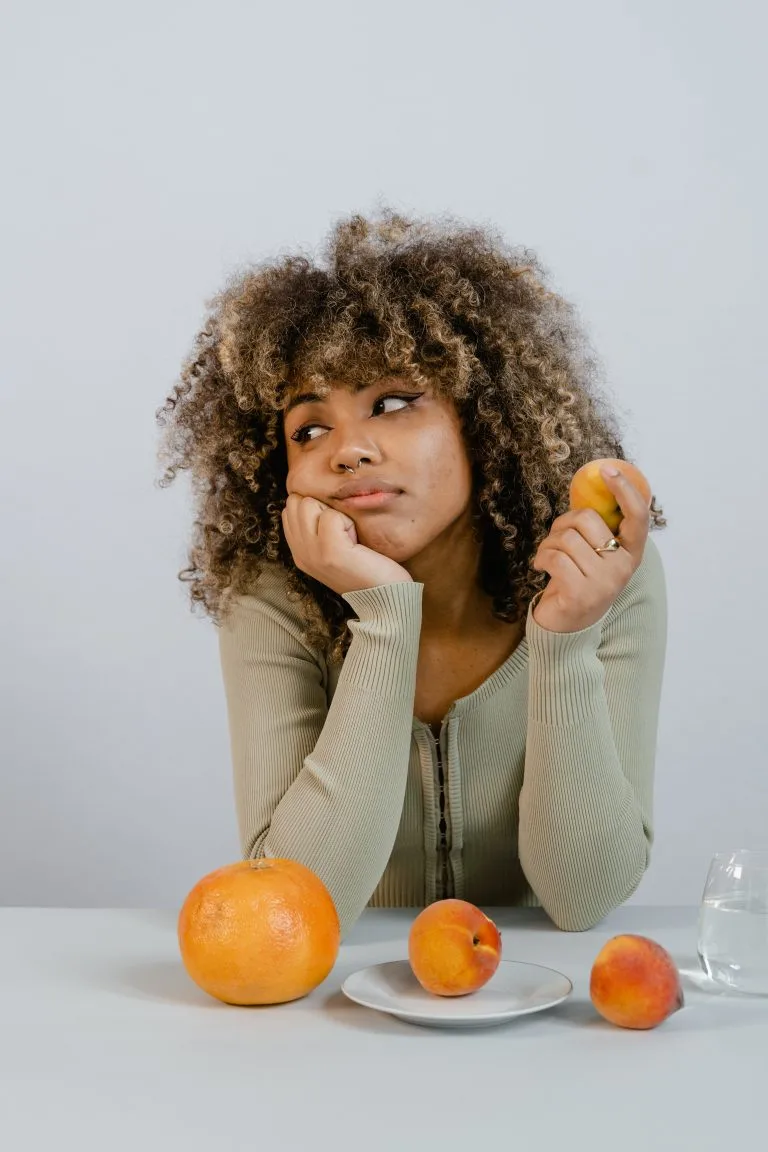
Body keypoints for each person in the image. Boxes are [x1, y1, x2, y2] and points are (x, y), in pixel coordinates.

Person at [157, 206, 668, 939]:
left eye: (391, 403)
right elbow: (300, 899)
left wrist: (564, 639)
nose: (347, 450)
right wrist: (385, 615)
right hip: (337, 1012)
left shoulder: (598, 577)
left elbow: (583, 896)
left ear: (484, 418)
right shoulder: (270, 594)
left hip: (528, 1009)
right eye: (310, 428)